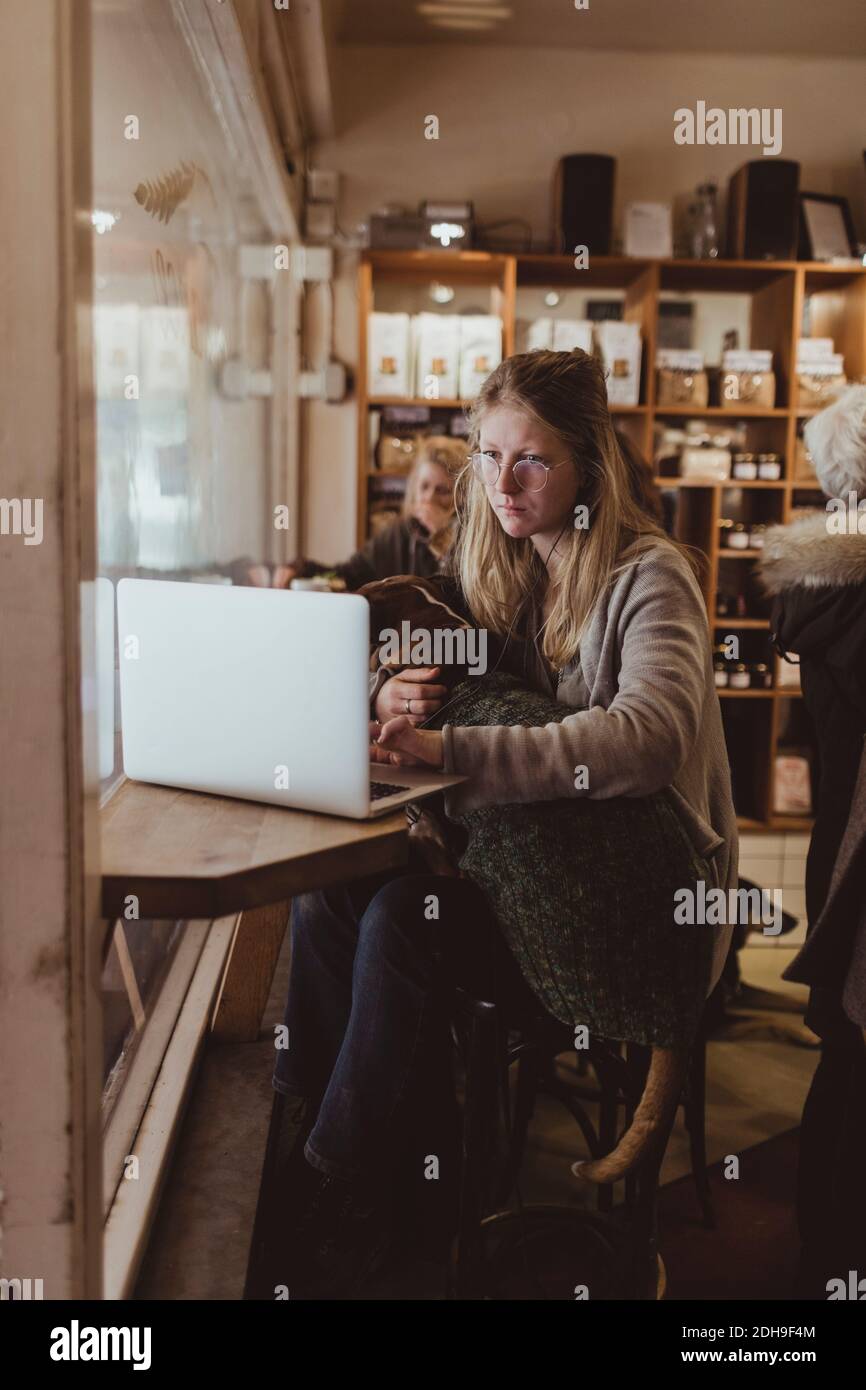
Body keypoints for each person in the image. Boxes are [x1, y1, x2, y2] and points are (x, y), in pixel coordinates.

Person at [268, 349, 737, 1297]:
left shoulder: (652, 579)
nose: (501, 484)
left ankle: (342, 1188)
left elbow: (645, 740)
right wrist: (392, 683)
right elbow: (424, 653)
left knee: (405, 924)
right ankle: (328, 1147)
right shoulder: (507, 566)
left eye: (532, 461)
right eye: (488, 456)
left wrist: (453, 754)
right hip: (529, 886)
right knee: (335, 892)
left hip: (640, 915)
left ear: (589, 472)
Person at [759, 385, 866, 1298]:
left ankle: (821, 1250)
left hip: (836, 837)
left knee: (843, 1049)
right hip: (857, 858)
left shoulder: (824, 581)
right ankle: (835, 1259)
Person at [276, 435, 464, 592]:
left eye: (442, 491)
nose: (429, 499)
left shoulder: (469, 535)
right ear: (413, 487)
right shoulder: (400, 533)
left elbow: (465, 592)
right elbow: (349, 574)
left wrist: (442, 537)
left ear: (460, 496)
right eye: (424, 487)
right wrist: (300, 568)